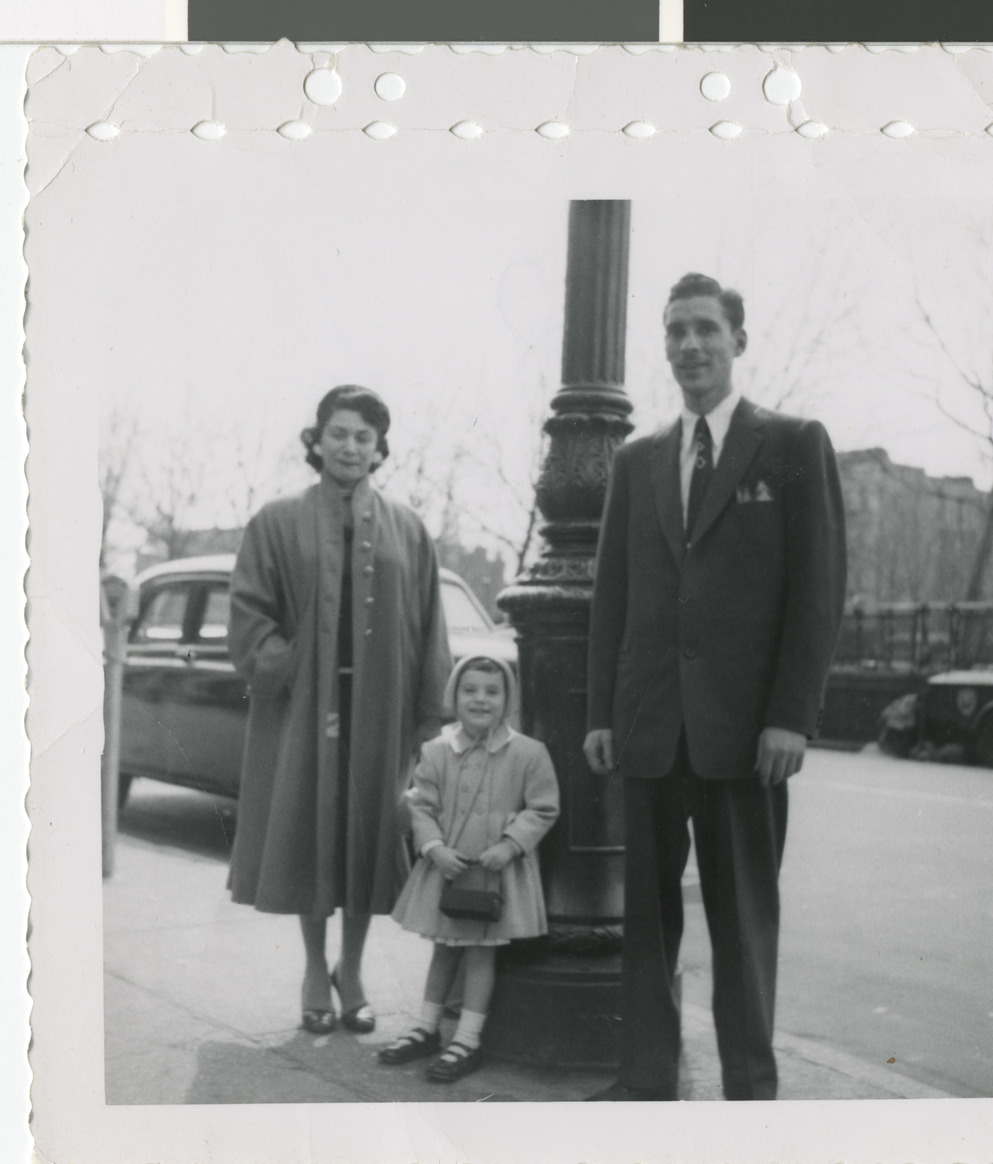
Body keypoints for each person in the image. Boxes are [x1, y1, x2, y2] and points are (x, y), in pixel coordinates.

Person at [583, 273, 847, 1100]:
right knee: (647, 923)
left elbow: (817, 590)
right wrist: (601, 712)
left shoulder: (793, 443)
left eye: (704, 329)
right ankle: (646, 1080)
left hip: (745, 739)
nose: (688, 346)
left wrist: (789, 718)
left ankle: (749, 1092)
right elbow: (612, 597)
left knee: (741, 924)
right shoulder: (638, 460)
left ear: (737, 340)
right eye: (674, 332)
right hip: (652, 728)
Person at [227, 384, 452, 1035]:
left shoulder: (407, 529)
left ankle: (350, 970)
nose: (351, 446)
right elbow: (248, 616)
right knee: (310, 834)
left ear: (380, 449)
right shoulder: (276, 520)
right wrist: (291, 667)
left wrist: (427, 715)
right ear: (317, 440)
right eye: (340, 433)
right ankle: (310, 968)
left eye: (364, 437)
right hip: (305, 709)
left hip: (379, 710)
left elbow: (429, 624)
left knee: (366, 839)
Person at [381, 655, 560, 1082]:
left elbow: (543, 807)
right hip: (447, 868)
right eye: (470, 690)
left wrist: (511, 844)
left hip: (496, 872)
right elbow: (420, 804)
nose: (480, 699)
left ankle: (468, 1038)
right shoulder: (437, 750)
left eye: (492, 691)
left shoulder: (529, 754)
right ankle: (425, 1028)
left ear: (507, 699)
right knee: (443, 948)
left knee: (481, 954)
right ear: (454, 695)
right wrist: (433, 846)